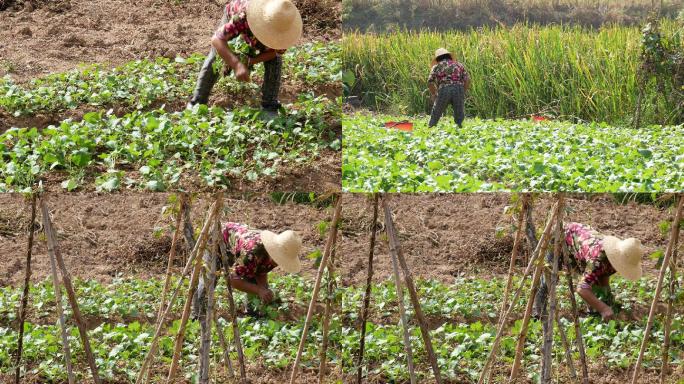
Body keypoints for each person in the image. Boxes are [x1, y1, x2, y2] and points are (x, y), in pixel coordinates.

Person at [187, 0, 303, 119]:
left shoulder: (284, 33)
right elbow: (217, 40)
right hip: (237, 15)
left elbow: (274, 54)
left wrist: (250, 61)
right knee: (216, 55)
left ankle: (270, 106)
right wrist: (236, 64)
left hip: (256, 29)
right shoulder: (243, 17)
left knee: (275, 63)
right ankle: (197, 102)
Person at [534, 222, 644, 321]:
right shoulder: (598, 258)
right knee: (551, 277)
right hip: (562, 236)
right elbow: (582, 288)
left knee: (596, 284)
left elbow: (603, 275)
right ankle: (538, 311)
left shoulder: (612, 260)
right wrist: (603, 308)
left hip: (582, 243)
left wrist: (607, 297)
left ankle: (594, 311)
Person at [193, 222, 302, 318]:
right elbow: (233, 279)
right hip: (219, 239)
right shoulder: (251, 252)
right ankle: (198, 314)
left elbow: (261, 271)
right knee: (210, 279)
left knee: (258, 287)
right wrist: (259, 290)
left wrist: (264, 289)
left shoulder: (272, 256)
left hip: (239, 248)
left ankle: (252, 314)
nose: (279, 262)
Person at [427, 48, 470, 128]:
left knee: (437, 111)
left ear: (438, 58)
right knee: (459, 113)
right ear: (449, 56)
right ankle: (460, 130)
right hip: (458, 88)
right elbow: (467, 79)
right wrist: (463, 91)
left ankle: (430, 128)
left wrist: (434, 94)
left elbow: (430, 82)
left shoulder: (437, 66)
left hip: (444, 89)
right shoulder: (459, 65)